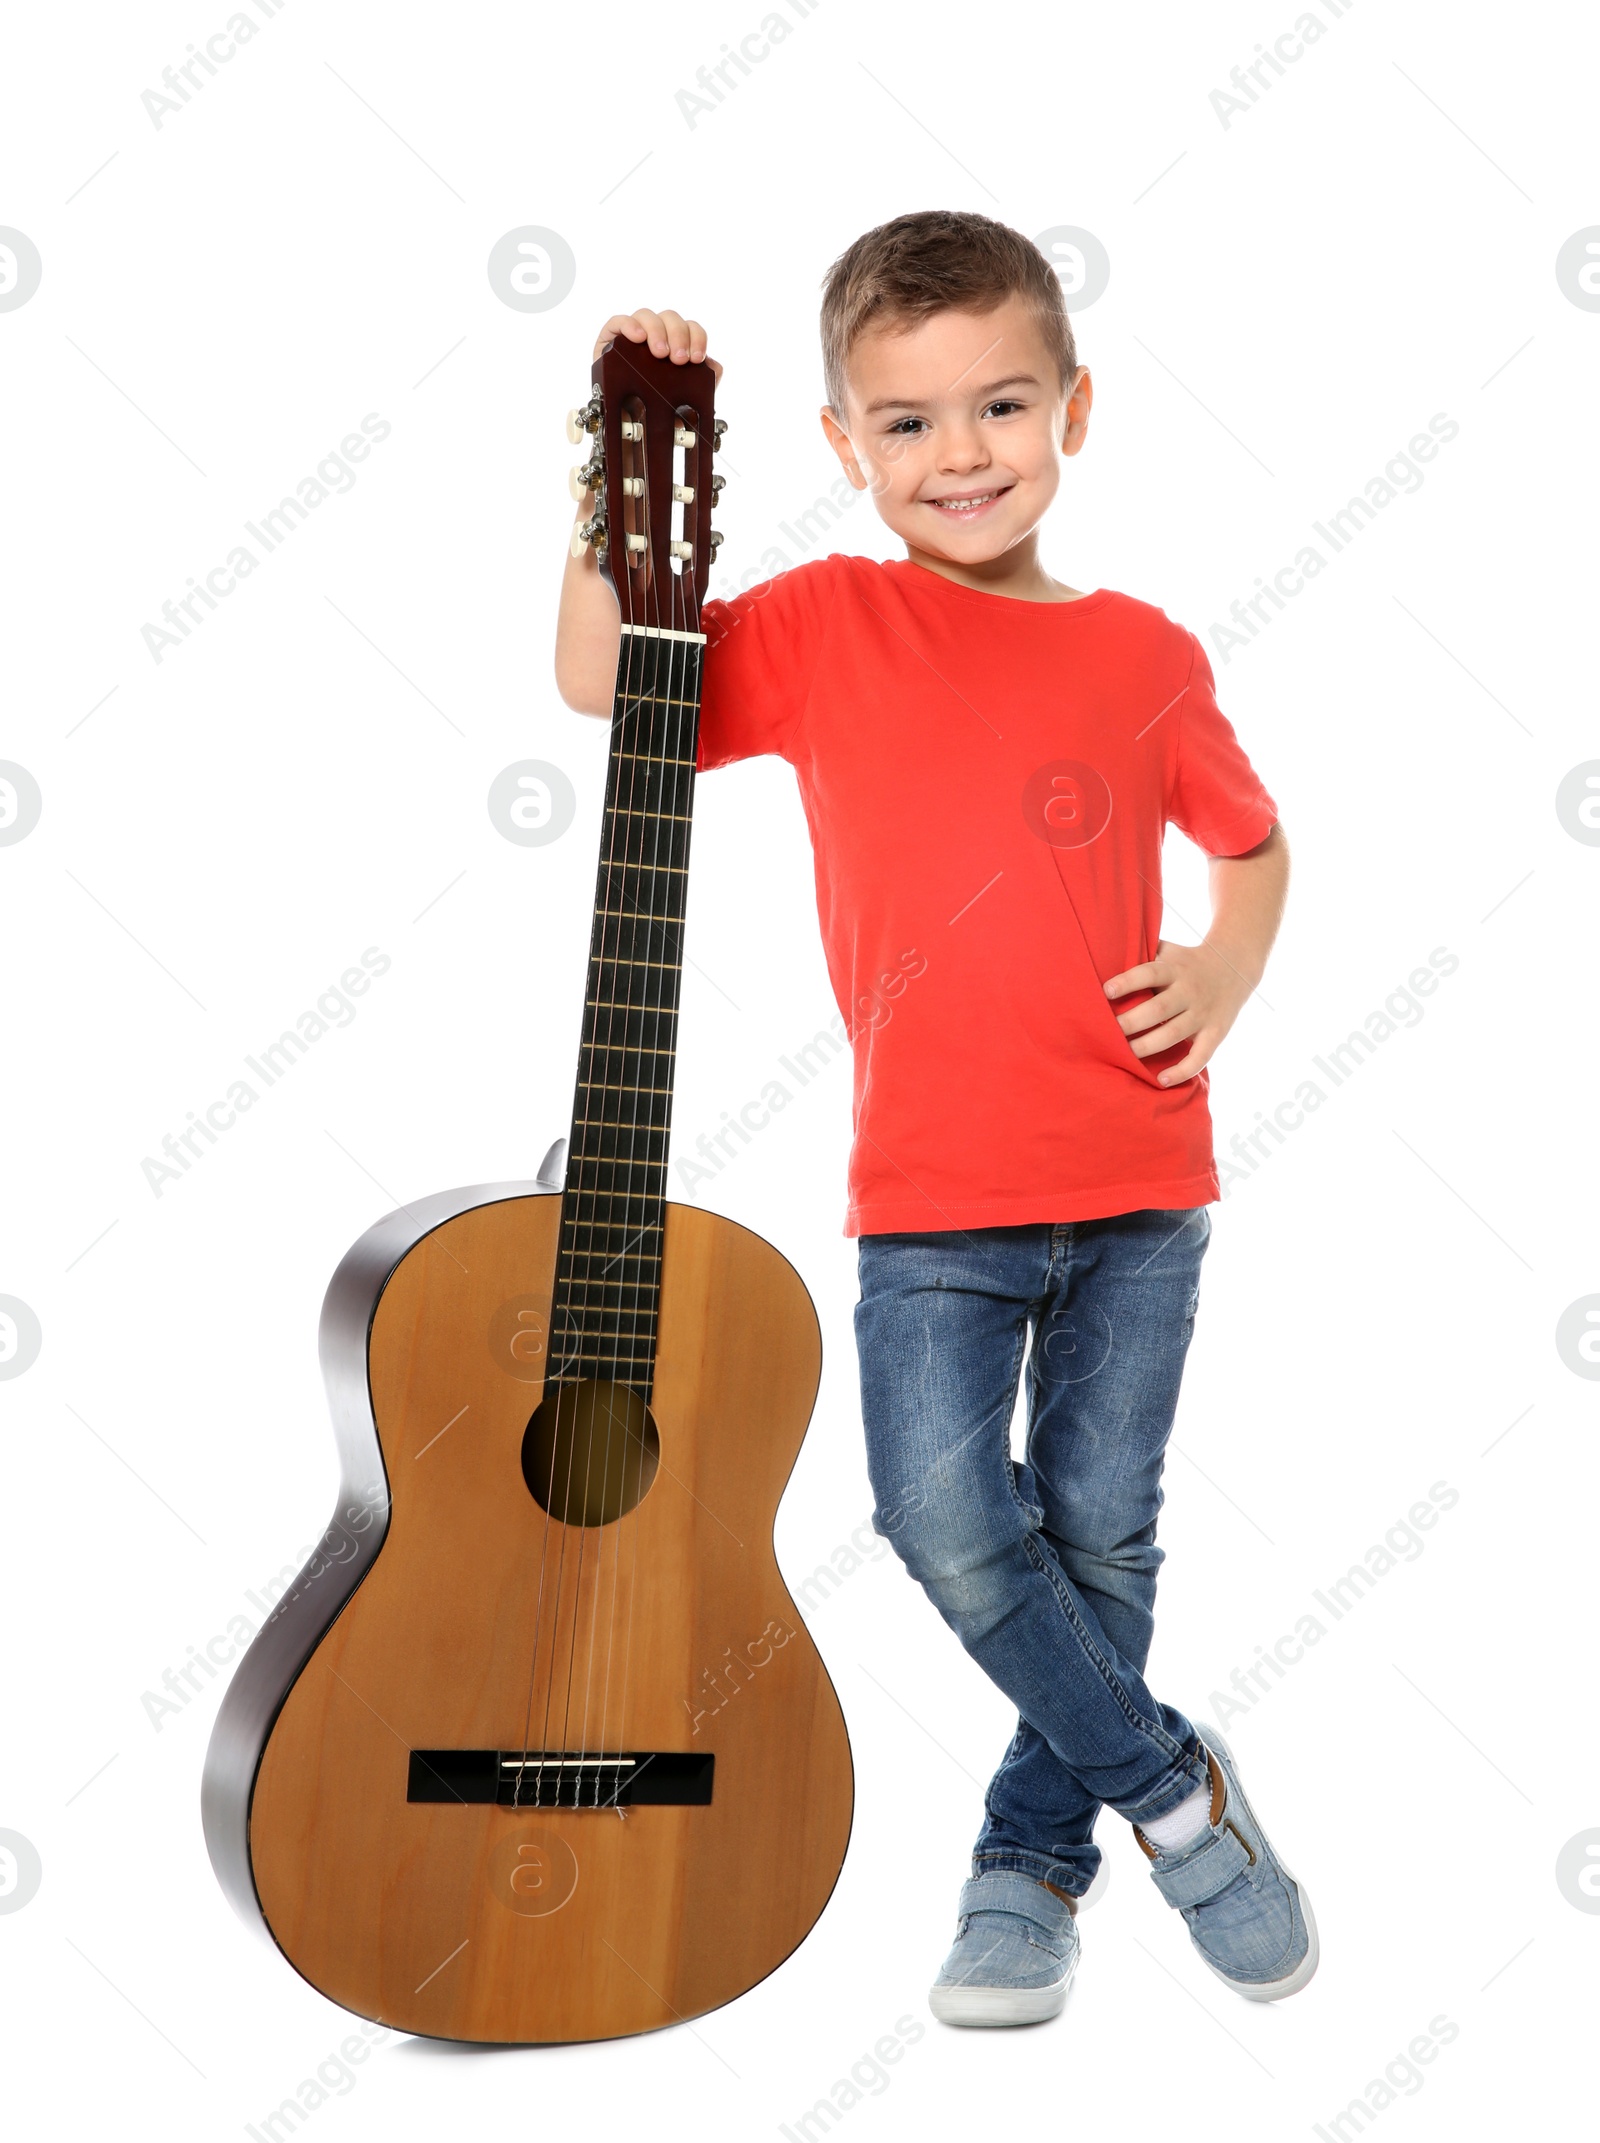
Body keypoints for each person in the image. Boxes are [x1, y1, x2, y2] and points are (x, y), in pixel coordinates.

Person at [554, 208, 1315, 2029]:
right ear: (841, 445)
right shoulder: (825, 626)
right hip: (933, 1200)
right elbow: (604, 684)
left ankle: (1026, 1874)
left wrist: (1225, 967)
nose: (959, 455)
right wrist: (606, 470)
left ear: (1073, 408)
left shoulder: (1140, 652)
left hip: (1140, 1184)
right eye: (906, 424)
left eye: (999, 407)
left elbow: (1256, 845)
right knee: (945, 1520)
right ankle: (1170, 1792)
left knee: (1105, 1539)